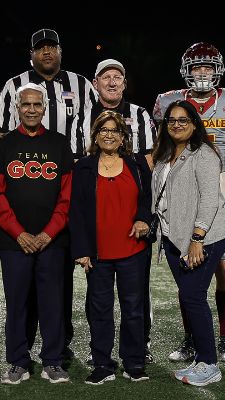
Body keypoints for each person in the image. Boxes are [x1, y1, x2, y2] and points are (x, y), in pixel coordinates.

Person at [0, 28, 97, 357]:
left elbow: (97, 130)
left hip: (69, 175)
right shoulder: (13, 86)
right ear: (32, 54)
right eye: (41, 48)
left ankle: (59, 344)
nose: (47, 53)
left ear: (61, 51)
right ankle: (22, 344)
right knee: (23, 280)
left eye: (52, 47)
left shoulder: (82, 85)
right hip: (23, 176)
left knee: (59, 272)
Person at [153, 42, 225, 363]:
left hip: (222, 180)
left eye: (207, 67)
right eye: (196, 68)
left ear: (218, 70)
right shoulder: (170, 102)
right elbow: (160, 150)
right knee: (187, 266)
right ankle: (192, 337)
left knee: (224, 264)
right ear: (186, 71)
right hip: (181, 181)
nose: (202, 73)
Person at [0, 83, 73, 385]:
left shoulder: (60, 144)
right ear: (17, 108)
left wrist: (49, 233)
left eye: (37, 105)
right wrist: (19, 232)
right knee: (17, 302)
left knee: (53, 302)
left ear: (45, 108)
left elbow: (67, 196)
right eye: (27, 105)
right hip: (14, 242)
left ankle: (53, 360)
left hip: (53, 240)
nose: (32, 110)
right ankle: (18, 362)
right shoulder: (3, 146)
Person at [70, 110, 152, 384]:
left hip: (133, 250)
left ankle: (134, 363)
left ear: (122, 137)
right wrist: (81, 249)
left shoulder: (137, 164)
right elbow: (77, 211)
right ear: (95, 135)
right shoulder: (83, 167)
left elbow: (147, 198)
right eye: (103, 130)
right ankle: (102, 364)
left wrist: (143, 219)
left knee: (134, 309)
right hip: (98, 254)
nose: (108, 134)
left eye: (114, 130)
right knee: (100, 311)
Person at [153, 100, 225, 386]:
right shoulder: (165, 154)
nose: (176, 124)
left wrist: (197, 238)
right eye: (171, 120)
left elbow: (210, 200)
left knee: (193, 297)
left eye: (183, 120)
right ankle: (202, 358)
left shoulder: (204, 154)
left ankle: (209, 363)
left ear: (194, 124)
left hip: (203, 238)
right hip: (175, 237)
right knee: (189, 297)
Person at [87, 59, 156, 364]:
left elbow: (150, 164)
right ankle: (101, 355)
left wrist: (143, 211)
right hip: (99, 210)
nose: (112, 82)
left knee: (136, 295)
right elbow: (79, 164)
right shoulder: (82, 117)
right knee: (98, 299)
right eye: (106, 77)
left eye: (118, 77)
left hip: (133, 207)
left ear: (125, 84)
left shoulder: (140, 114)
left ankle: (140, 348)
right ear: (95, 83)